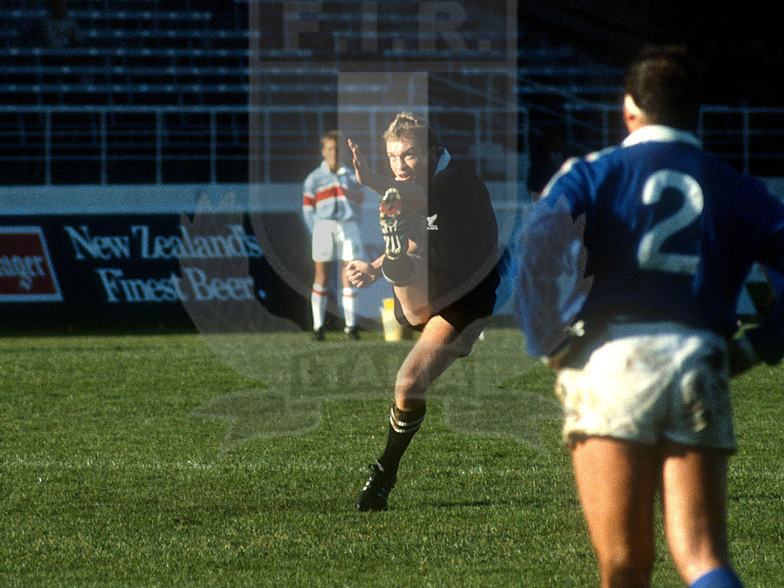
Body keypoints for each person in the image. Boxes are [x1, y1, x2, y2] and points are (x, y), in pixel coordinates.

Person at [513, 45, 784, 588]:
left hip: (613, 358)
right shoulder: (737, 185)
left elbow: (534, 247)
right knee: (704, 556)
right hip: (699, 357)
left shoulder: (591, 173)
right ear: (696, 112)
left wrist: (548, 340)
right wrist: (758, 345)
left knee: (624, 565)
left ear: (629, 108)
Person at [346, 111, 501, 511]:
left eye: (410, 155)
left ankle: (384, 473)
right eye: (393, 157)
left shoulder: (457, 180)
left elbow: (421, 200)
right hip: (430, 285)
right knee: (405, 270)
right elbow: (416, 237)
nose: (400, 165)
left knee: (407, 384)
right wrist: (374, 267)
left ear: (434, 151)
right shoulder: (417, 186)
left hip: (468, 299)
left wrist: (373, 182)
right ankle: (394, 263)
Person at [302, 130, 364, 341]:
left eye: (337, 150)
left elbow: (360, 202)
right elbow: (307, 208)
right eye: (330, 149)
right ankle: (318, 327)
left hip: (348, 226)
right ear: (323, 151)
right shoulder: (314, 178)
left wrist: (354, 222)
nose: (334, 153)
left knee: (349, 275)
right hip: (324, 226)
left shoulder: (352, 176)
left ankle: (351, 327)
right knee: (322, 275)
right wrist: (316, 229)